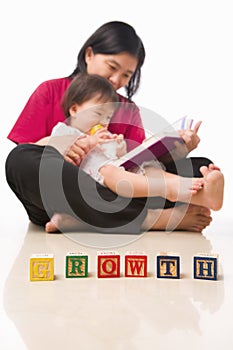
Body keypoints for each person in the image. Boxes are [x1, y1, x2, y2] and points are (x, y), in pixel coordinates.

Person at [5, 21, 221, 233]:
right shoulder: (50, 90)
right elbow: (27, 151)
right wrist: (58, 145)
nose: (116, 80)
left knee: (197, 166)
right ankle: (152, 219)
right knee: (19, 160)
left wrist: (174, 151)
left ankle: (80, 222)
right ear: (89, 55)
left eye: (127, 75)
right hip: (64, 192)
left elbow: (137, 161)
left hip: (117, 188)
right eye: (112, 67)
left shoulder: (127, 108)